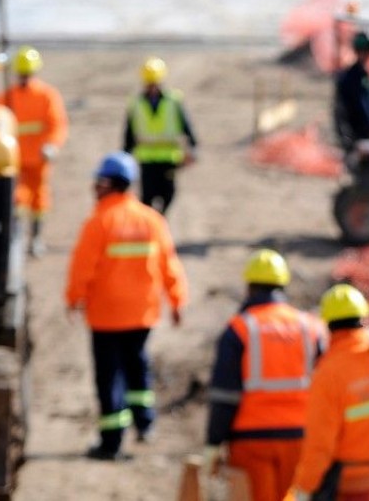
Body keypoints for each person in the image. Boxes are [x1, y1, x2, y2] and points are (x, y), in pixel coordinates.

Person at [65, 151, 188, 460]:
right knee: (137, 367)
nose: (95, 188)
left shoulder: (99, 222)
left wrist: (73, 298)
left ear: (109, 184)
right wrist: (176, 300)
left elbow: (83, 267)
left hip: (106, 316)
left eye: (99, 182)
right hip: (142, 314)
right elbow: (169, 264)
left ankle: (111, 441)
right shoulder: (151, 220)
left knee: (109, 377)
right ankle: (145, 424)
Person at [204, 249, 328, 501]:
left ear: (249, 288)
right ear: (283, 286)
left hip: (251, 441)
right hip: (301, 438)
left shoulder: (240, 328)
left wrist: (214, 443)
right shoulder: (311, 327)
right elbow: (328, 386)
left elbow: (225, 395)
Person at [290, 284, 369, 501]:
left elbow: (320, 443)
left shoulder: (328, 372)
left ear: (328, 324)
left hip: (350, 487)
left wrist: (305, 486)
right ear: (364, 318)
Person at [0, 45, 69, 257]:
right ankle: (14, 237)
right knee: (15, 199)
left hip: (38, 159)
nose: (25, 78)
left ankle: (36, 238)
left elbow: (57, 124)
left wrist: (52, 145)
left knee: (39, 200)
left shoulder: (47, 95)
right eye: (22, 74)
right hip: (13, 160)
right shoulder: (5, 97)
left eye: (28, 74)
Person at [123, 56, 198, 215]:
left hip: (168, 157)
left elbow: (185, 124)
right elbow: (129, 131)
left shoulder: (173, 100)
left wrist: (192, 147)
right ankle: (151, 224)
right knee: (147, 196)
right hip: (146, 157)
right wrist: (125, 154)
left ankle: (159, 219)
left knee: (168, 194)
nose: (152, 87)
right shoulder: (136, 102)